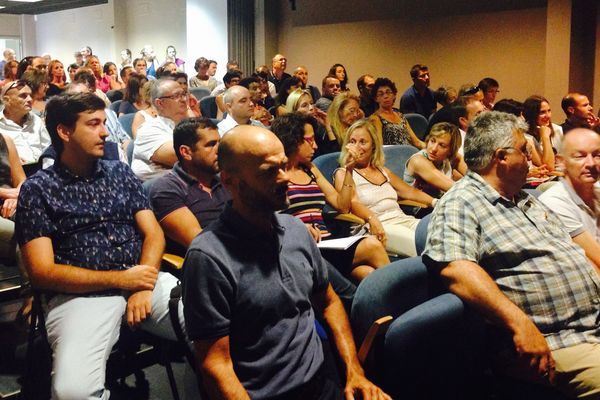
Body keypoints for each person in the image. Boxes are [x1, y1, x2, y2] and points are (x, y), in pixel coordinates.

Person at [181, 123, 390, 400]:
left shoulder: (294, 230)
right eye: (269, 172)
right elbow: (215, 364)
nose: (285, 178)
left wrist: (354, 371)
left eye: (283, 166)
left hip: (321, 383)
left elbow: (328, 302)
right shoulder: (209, 257)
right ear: (230, 181)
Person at [15, 92, 186, 400]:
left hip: (143, 281)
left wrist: (142, 283)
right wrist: (123, 280)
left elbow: (154, 234)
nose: (105, 132)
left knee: (218, 328)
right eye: (93, 124)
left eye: (104, 123)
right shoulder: (37, 189)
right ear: (64, 132)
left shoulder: (119, 173)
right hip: (80, 295)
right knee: (74, 393)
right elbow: (42, 272)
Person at [423, 111, 600, 399]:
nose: (530, 159)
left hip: (591, 324)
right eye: (524, 150)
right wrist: (520, 324)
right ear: (501, 157)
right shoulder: (461, 201)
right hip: (556, 341)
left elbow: (569, 253)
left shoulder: (522, 198)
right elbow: (455, 270)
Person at [273, 113, 390, 281]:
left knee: (367, 273)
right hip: (303, 248)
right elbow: (272, 218)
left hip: (327, 245)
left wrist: (349, 170)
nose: (315, 146)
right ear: (293, 141)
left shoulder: (310, 169)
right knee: (372, 245)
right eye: (309, 140)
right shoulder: (277, 174)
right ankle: (403, 296)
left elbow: (341, 205)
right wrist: (299, 228)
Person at [335, 119, 435, 256]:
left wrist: (436, 202)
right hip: (376, 226)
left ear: (373, 147)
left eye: (363, 142)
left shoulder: (382, 170)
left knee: (439, 234)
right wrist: (372, 218)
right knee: (425, 247)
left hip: (402, 219)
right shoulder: (343, 173)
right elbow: (351, 204)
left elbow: (409, 191)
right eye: (352, 141)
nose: (357, 147)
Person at [150, 117, 229, 257]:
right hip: (210, 266)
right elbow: (201, 244)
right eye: (211, 144)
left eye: (220, 143)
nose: (220, 150)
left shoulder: (226, 179)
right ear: (186, 152)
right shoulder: (167, 189)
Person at [539, 128, 600, 270]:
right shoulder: (553, 202)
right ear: (562, 162)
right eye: (580, 156)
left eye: (597, 155)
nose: (591, 163)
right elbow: (596, 259)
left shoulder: (596, 190)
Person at [132, 79, 189, 180]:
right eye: (176, 96)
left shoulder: (185, 125)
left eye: (184, 94)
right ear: (160, 103)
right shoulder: (148, 130)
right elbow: (183, 156)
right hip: (164, 190)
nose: (184, 99)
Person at [404, 122, 467, 198]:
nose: (433, 149)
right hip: (419, 207)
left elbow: (476, 175)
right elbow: (455, 189)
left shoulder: (446, 157)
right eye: (432, 141)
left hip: (439, 203)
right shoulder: (418, 161)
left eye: (442, 145)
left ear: (451, 150)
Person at [0, 80, 51, 164]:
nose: (30, 99)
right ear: (7, 100)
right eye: (23, 96)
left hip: (42, 171)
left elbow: (48, 149)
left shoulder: (36, 120)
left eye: (30, 95)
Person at [369, 77, 424, 148]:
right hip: (392, 156)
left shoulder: (400, 115)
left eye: (388, 92)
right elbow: (380, 147)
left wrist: (429, 147)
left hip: (410, 152)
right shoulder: (376, 118)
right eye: (381, 94)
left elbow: (417, 142)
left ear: (394, 95)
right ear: (376, 98)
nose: (385, 96)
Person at [523, 95, 563, 170]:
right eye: (542, 112)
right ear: (531, 114)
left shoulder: (557, 129)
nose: (548, 116)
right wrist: (545, 137)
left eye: (549, 111)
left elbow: (563, 160)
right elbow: (547, 167)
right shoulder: (526, 137)